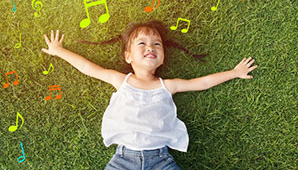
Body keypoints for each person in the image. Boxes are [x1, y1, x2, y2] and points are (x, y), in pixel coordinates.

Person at [41, 20, 258, 170]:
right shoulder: (121, 81)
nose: (150, 47)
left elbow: (201, 82)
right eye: (141, 43)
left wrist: (234, 73)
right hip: (123, 160)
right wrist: (59, 50)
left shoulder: (167, 86)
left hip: (161, 159)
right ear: (128, 56)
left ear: (162, 58)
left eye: (157, 44)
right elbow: (89, 68)